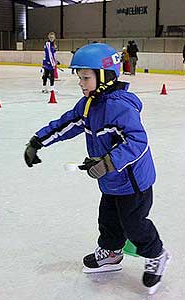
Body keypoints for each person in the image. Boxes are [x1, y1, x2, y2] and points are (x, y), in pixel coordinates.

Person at [24, 43, 170, 295]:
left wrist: (106, 163)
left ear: (105, 76)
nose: (81, 83)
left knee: (134, 224)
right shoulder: (89, 104)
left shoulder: (119, 107)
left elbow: (137, 141)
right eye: (79, 77)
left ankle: (157, 254)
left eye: (85, 77)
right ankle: (112, 254)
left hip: (133, 182)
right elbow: (67, 124)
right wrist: (37, 141)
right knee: (109, 220)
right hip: (110, 180)